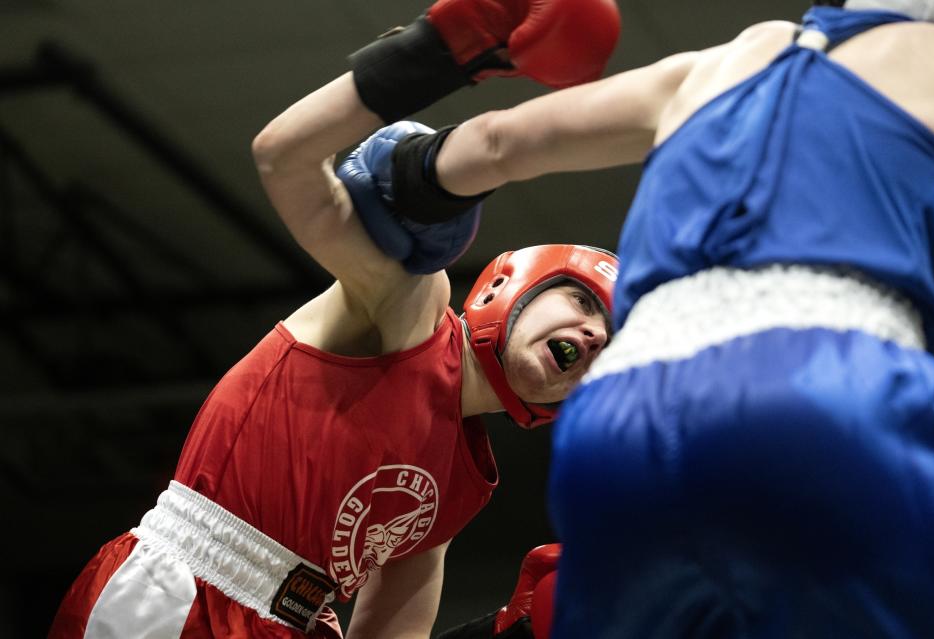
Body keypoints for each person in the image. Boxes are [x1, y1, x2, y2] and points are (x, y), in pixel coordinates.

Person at [47, 0, 622, 636]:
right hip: (179, 592)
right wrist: (441, 50)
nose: (596, 333)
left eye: (612, 341)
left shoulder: (466, 487)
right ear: (514, 284)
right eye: (584, 301)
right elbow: (284, 157)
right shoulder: (409, 307)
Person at [394, 0, 934, 636]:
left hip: (622, 412)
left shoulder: (723, 61)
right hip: (825, 381)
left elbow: (489, 142)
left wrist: (415, 80)